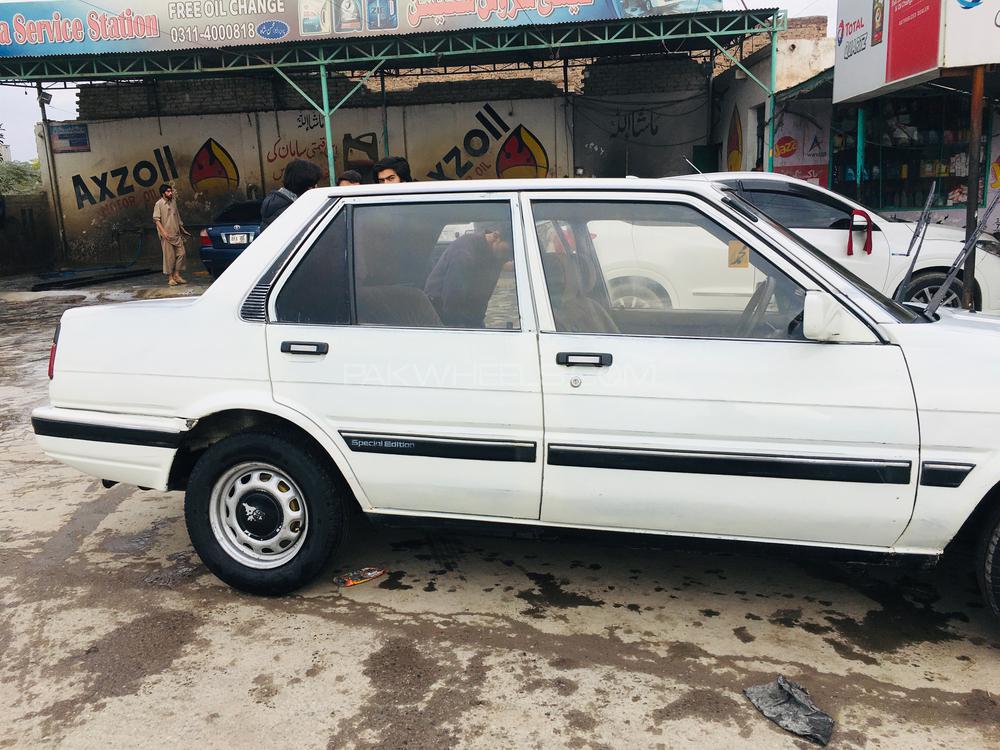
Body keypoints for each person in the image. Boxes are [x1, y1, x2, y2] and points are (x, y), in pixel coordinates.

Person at [424, 225, 512, 328]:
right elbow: (451, 302)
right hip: (441, 315)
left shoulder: (496, 254)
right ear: (496, 236)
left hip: (471, 315)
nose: (507, 258)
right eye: (506, 252)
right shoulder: (464, 253)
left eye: (511, 255)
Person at [260, 159, 324, 232]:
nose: (317, 187)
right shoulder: (294, 213)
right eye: (314, 184)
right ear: (307, 186)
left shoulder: (275, 203)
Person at [152, 184, 191, 286]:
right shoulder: (159, 204)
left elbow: (177, 216)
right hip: (167, 236)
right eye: (168, 191)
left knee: (182, 253)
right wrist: (163, 232)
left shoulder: (173, 202)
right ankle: (170, 278)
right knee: (169, 257)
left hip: (176, 233)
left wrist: (182, 229)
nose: (170, 193)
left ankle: (177, 275)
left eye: (171, 191)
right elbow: (156, 220)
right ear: (163, 193)